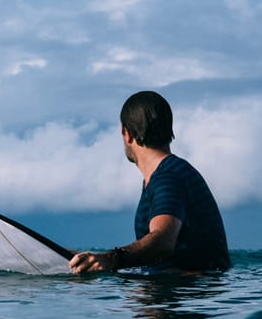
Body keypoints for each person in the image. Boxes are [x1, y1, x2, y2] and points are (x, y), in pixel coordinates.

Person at [69, 90, 230, 274]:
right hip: (188, 292)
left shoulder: (168, 177)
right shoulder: (169, 173)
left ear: (127, 134)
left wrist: (110, 259)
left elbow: (163, 241)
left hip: (186, 295)